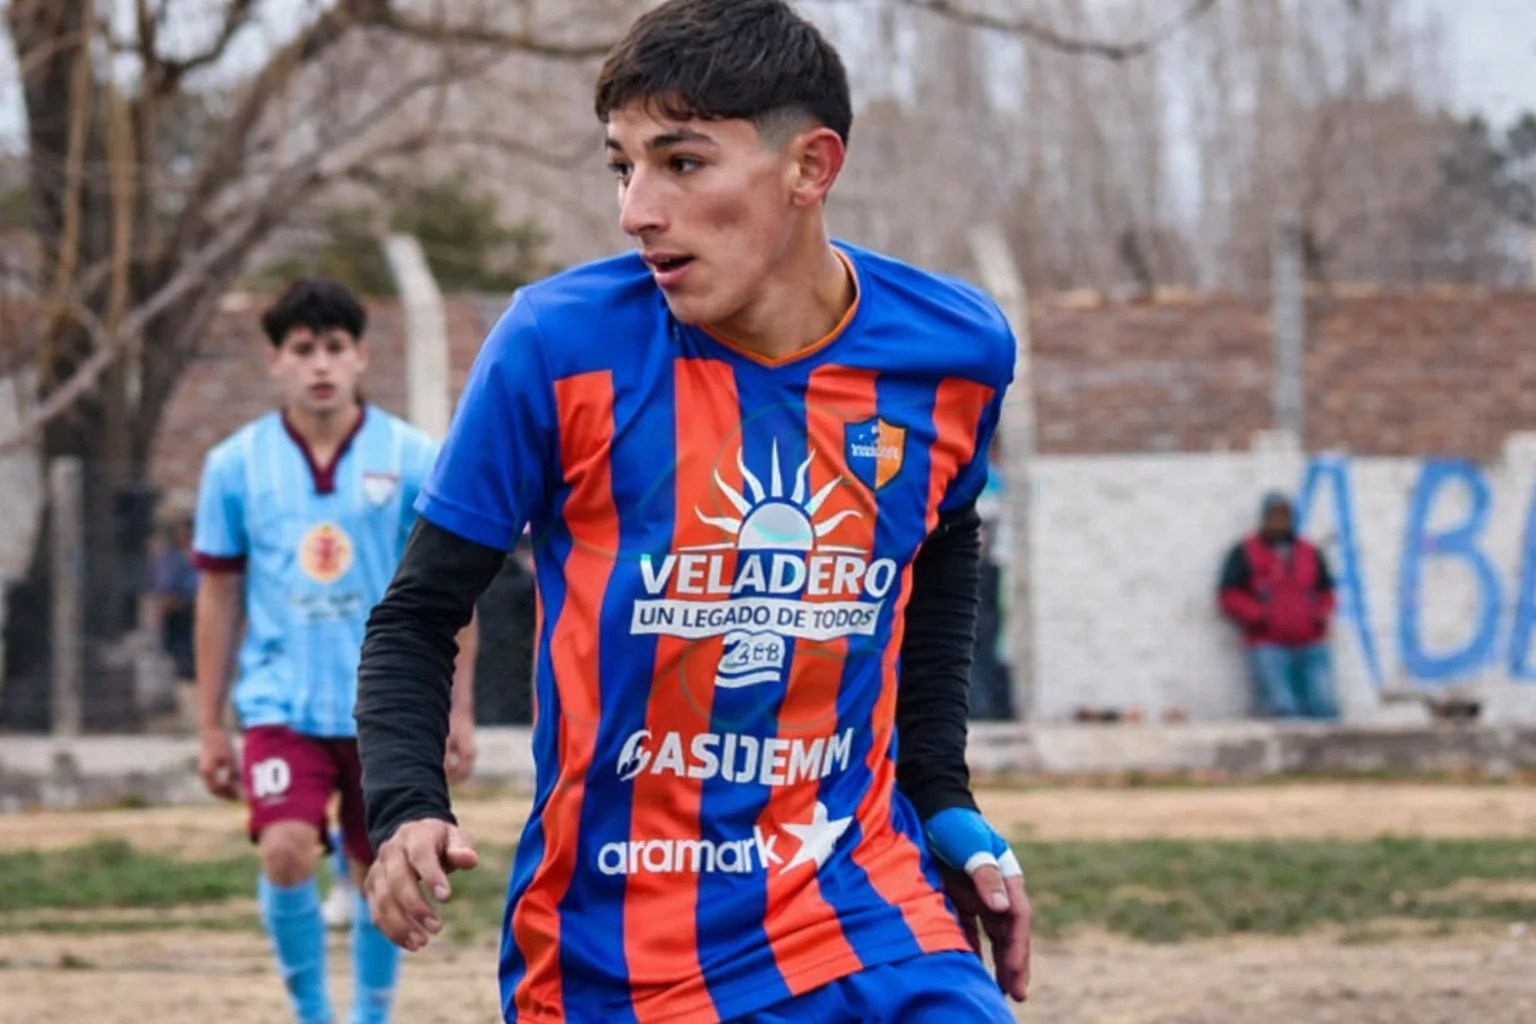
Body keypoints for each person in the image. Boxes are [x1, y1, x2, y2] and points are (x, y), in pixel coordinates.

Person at [355, 2, 1032, 1022]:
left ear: (810, 168)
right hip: (620, 952)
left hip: (865, 906)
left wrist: (942, 800)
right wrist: (408, 805)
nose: (636, 210)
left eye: (681, 163)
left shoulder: (953, 351)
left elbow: (937, 552)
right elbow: (415, 615)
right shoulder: (556, 347)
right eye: (621, 167)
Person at [192, 278, 480, 1024]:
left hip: (383, 709)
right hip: (280, 702)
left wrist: (457, 711)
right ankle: (313, 1014)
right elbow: (218, 594)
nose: (319, 364)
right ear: (275, 361)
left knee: (379, 864)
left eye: (334, 347)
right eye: (302, 349)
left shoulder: (414, 456)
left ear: (360, 356)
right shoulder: (234, 466)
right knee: (286, 848)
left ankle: (370, 1017)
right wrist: (210, 724)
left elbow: (451, 595)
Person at [1218, 490, 1339, 720]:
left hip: (1310, 642)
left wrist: (1319, 614)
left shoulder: (1309, 552)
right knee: (1282, 709)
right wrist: (1258, 615)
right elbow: (1228, 594)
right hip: (1267, 644)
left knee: (1324, 706)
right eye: (1274, 515)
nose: (1279, 521)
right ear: (1264, 518)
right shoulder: (1245, 552)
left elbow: (1327, 590)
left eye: (1284, 515)